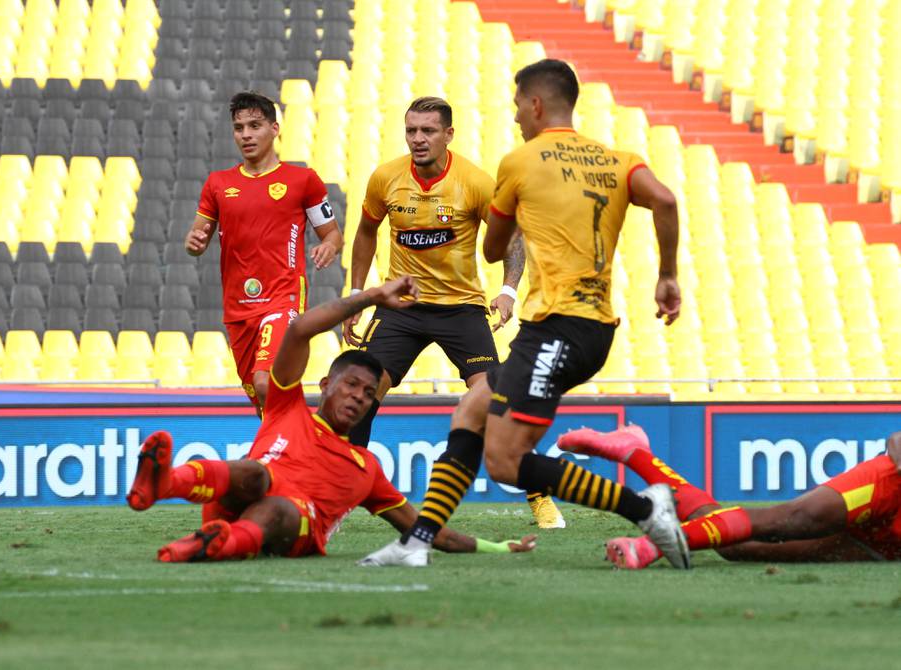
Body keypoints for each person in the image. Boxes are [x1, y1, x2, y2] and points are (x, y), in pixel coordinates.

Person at [360, 59, 688, 568]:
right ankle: (416, 543)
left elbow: (493, 249)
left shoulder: (519, 162)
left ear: (535, 104)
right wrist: (667, 275)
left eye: (517, 105)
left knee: (506, 461)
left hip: (561, 329)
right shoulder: (619, 160)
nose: (515, 116)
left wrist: (509, 228)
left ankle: (646, 509)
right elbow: (665, 201)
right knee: (470, 410)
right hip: (577, 327)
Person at [126, 276, 537, 563]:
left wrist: (500, 548)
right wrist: (373, 297)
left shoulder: (366, 468)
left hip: (290, 529)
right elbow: (301, 328)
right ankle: (165, 484)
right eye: (351, 386)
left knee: (279, 507)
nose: (358, 398)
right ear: (326, 384)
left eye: (366, 392)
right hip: (232, 504)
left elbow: (434, 533)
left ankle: (208, 545)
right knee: (256, 474)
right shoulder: (285, 405)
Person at [342, 95, 564, 529]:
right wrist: (357, 294)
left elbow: (513, 239)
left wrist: (507, 291)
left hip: (461, 309)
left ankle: (539, 496)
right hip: (401, 308)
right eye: (411, 131)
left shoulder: (475, 182)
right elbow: (366, 231)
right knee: (359, 391)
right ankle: (344, 492)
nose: (418, 139)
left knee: (497, 402)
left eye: (427, 131)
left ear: (449, 134)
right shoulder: (386, 177)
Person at [185, 91, 344, 414]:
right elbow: (197, 234)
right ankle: (297, 449)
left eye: (254, 126)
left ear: (274, 128)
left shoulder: (303, 180)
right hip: (237, 307)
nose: (246, 135)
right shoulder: (218, 183)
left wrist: (328, 246)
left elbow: (332, 233)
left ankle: (302, 448)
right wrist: (195, 243)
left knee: (265, 381)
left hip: (282, 296)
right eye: (239, 127)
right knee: (264, 404)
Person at [560, 426, 901, 567]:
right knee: (795, 519)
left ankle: (635, 452)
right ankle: (653, 546)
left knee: (735, 548)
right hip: (891, 489)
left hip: (885, 546)